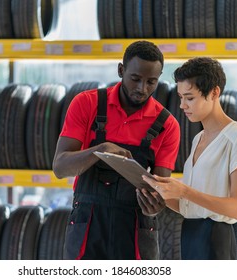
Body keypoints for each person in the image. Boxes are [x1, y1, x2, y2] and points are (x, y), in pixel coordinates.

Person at [53, 40, 180, 260]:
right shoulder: (86, 103)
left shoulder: (167, 125)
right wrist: (98, 150)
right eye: (135, 79)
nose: (142, 89)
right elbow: (60, 168)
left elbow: (160, 189)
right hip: (88, 223)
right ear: (121, 70)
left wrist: (156, 205)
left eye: (151, 82)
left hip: (136, 227)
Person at [142, 57, 237, 260]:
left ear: (214, 93)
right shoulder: (198, 138)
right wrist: (161, 193)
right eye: (180, 97)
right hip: (189, 234)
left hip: (216, 239)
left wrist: (184, 190)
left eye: (190, 98)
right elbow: (191, 207)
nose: (182, 105)